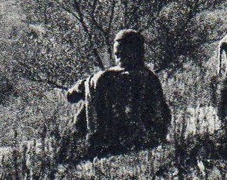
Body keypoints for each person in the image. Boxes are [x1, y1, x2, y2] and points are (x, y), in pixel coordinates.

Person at [65, 29, 172, 159]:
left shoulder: (106, 77)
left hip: (112, 142)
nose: (120, 58)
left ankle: (85, 144)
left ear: (136, 53)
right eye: (118, 55)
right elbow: (163, 116)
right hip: (141, 141)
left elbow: (71, 96)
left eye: (124, 54)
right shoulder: (148, 77)